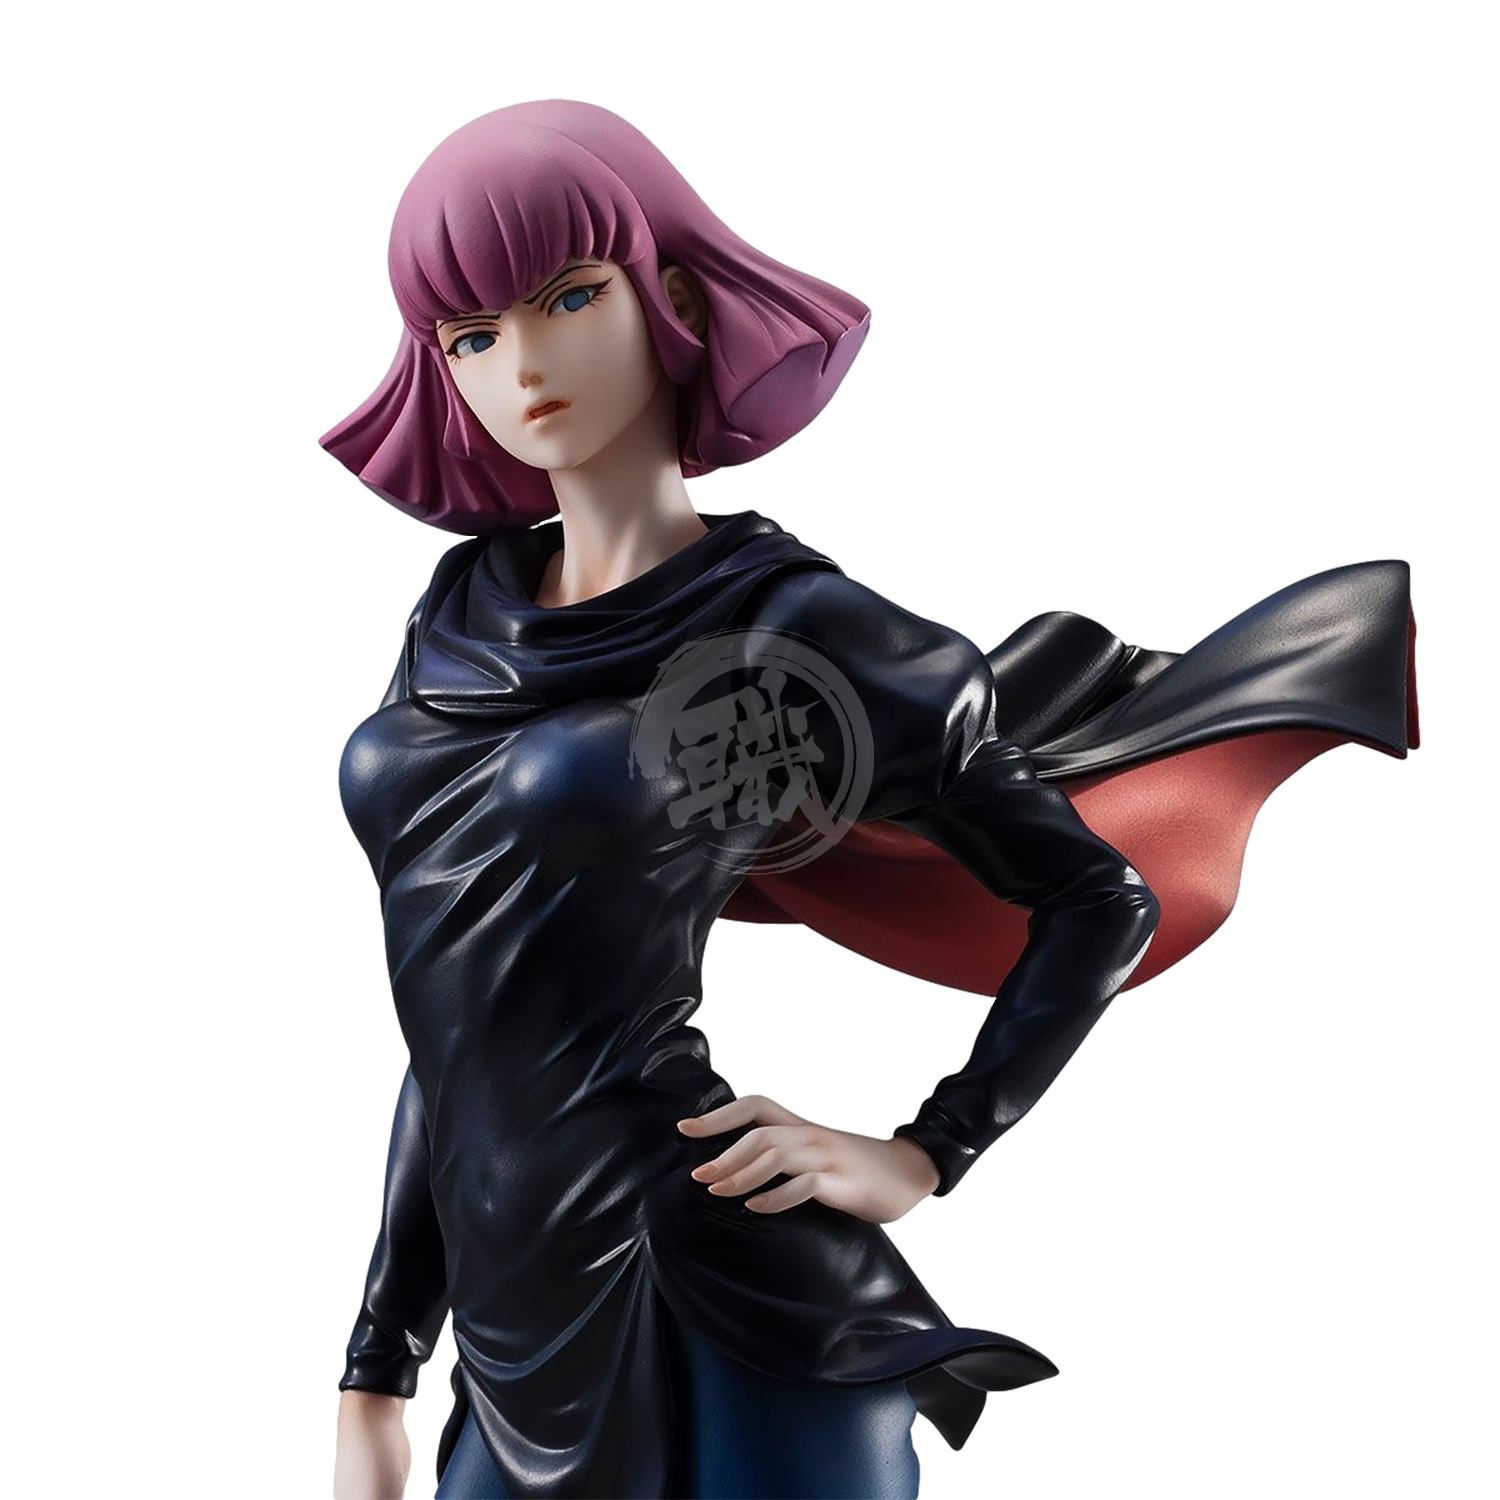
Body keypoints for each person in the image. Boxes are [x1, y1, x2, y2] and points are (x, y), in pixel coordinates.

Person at [322, 103, 1411, 1500]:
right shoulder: (453, 619)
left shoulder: (793, 627)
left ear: (678, 302)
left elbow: (1097, 895)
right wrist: (373, 1362)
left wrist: (924, 1151)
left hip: (711, 1278)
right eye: (471, 334)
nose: (522, 365)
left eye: (570, 298)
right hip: (510, 1321)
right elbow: (457, 1018)